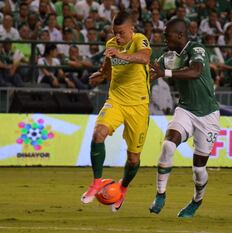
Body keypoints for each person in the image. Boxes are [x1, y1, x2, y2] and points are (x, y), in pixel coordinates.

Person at [80, 11, 151, 212]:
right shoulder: (111, 44)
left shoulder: (140, 40)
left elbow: (144, 59)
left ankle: (123, 188)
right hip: (116, 100)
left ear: (131, 29)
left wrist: (122, 54)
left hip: (139, 106)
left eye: (121, 33)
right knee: (98, 133)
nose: (118, 37)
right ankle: (96, 182)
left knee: (133, 158)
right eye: (115, 33)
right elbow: (109, 67)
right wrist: (101, 75)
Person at [149, 19, 220, 218]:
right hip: (185, 110)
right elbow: (151, 70)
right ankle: (160, 194)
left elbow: (196, 71)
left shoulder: (197, 49)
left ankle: (197, 201)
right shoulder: (168, 57)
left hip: (208, 116)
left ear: (180, 35)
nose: (164, 38)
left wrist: (166, 73)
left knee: (199, 169)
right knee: (168, 146)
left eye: (168, 34)